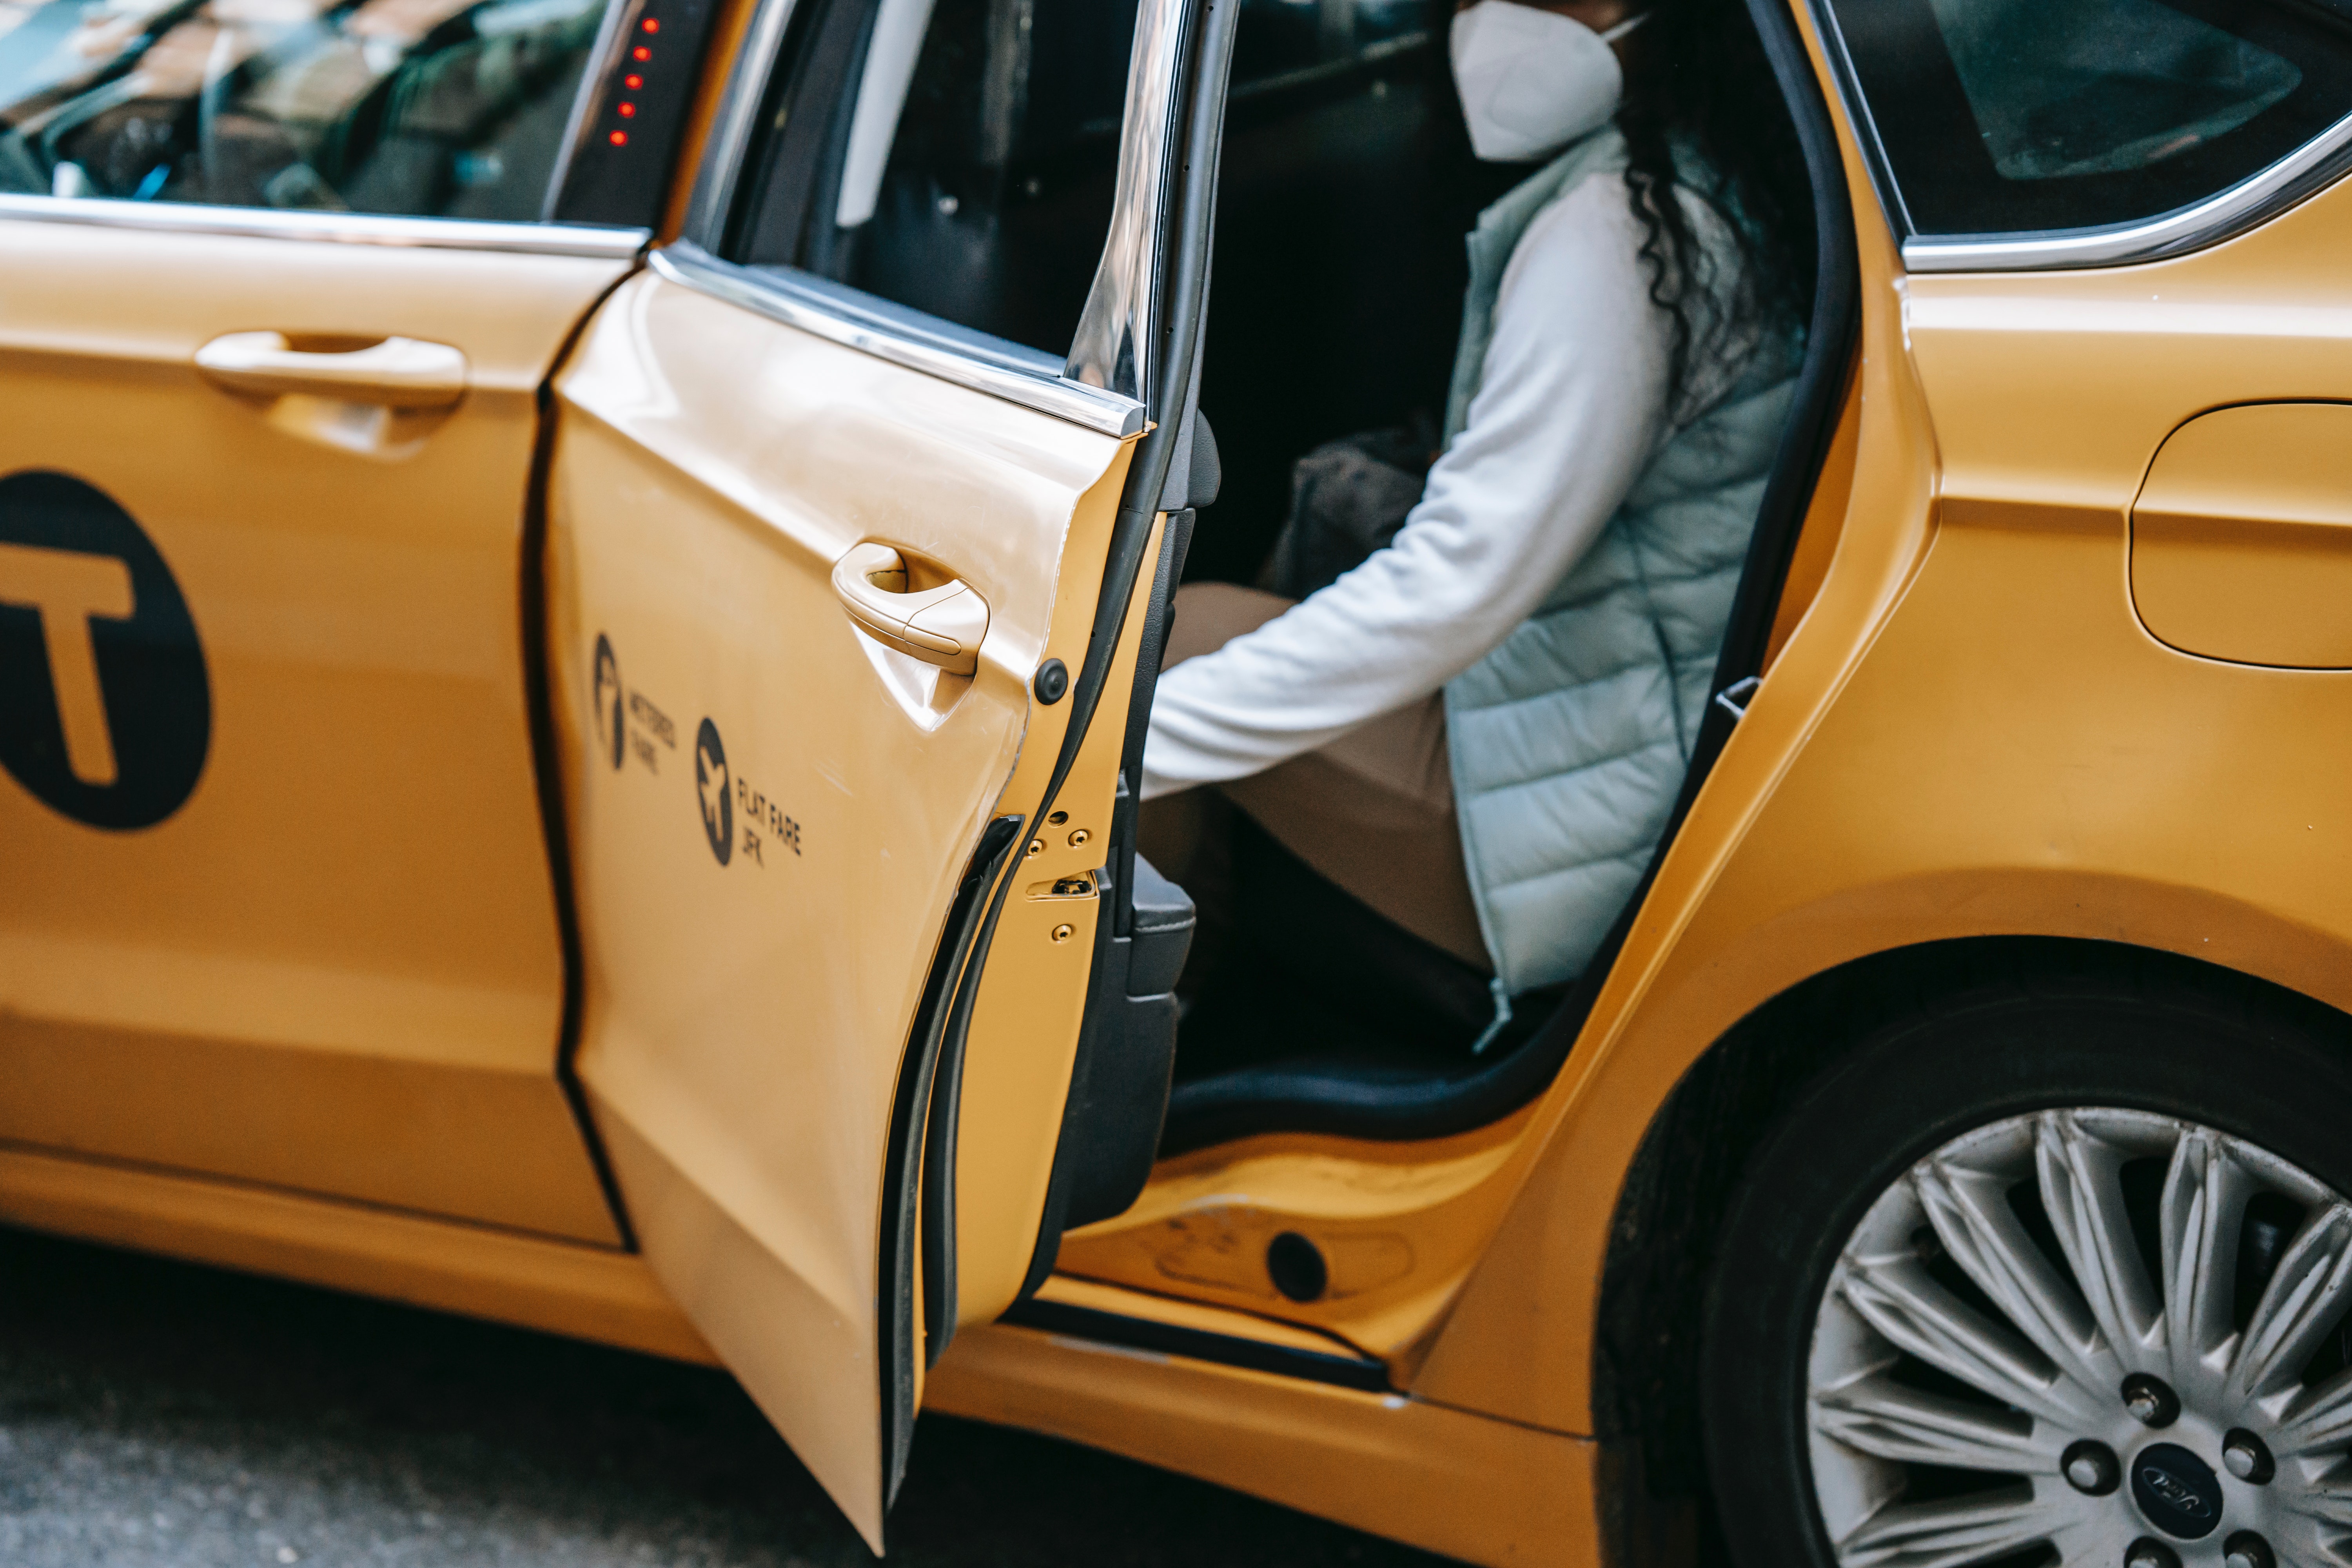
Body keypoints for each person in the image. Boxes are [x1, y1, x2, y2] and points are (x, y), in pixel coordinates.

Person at [1139, 0, 1812, 1045]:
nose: (1485, 15)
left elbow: (1459, 583)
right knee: (1214, 627)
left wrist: (1116, 753)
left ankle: (1153, 1041)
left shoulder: (1619, 234)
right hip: (1633, 754)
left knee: (1155, 668)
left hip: (1583, 842)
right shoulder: (1713, 175)